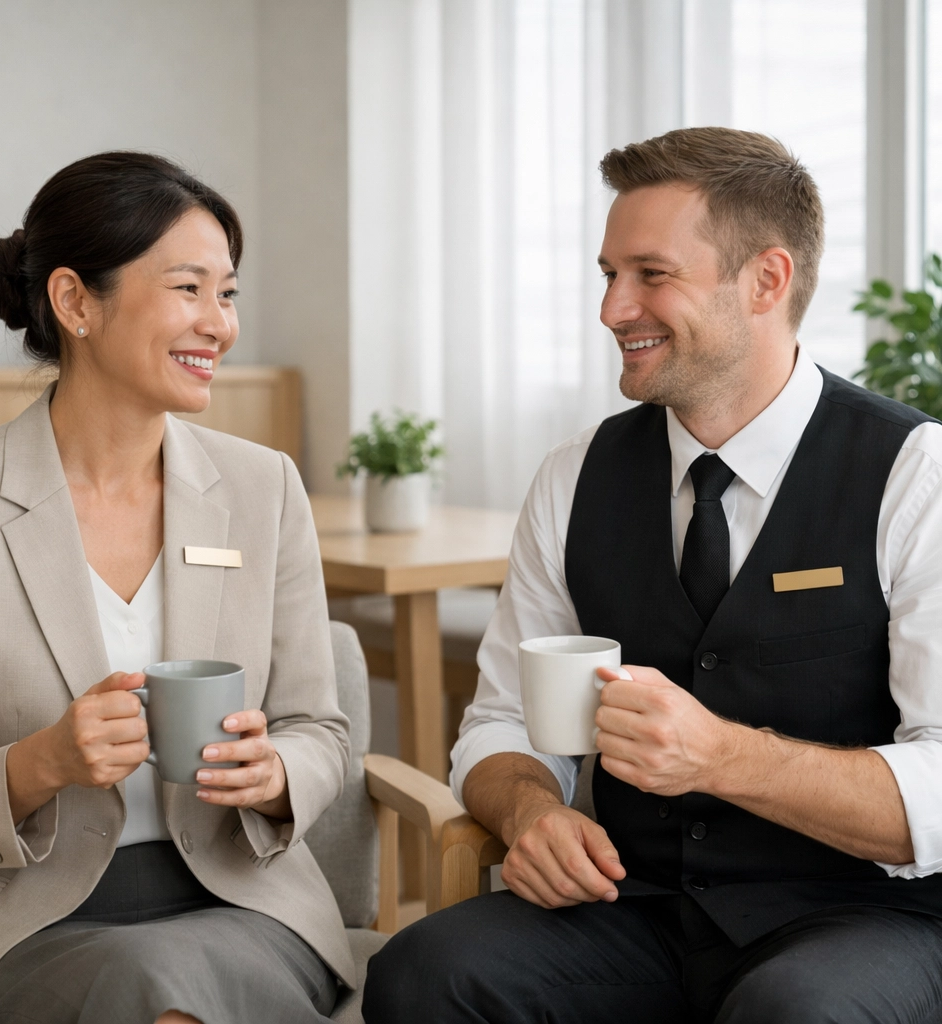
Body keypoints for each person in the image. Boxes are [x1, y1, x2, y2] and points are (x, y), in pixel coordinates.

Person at [362, 127, 942, 1023]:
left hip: (864, 919)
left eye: (650, 274)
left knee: (798, 1011)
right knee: (425, 971)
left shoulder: (913, 475)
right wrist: (527, 812)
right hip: (634, 909)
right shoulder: (573, 476)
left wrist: (721, 756)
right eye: (607, 275)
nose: (611, 310)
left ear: (766, 281)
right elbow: (503, 723)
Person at [0, 152, 352, 1024]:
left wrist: (272, 774)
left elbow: (321, 731)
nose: (219, 325)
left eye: (227, 293)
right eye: (188, 288)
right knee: (151, 994)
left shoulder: (263, 488)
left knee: (167, 992)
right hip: (19, 916)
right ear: (76, 302)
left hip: (241, 901)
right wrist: (44, 762)